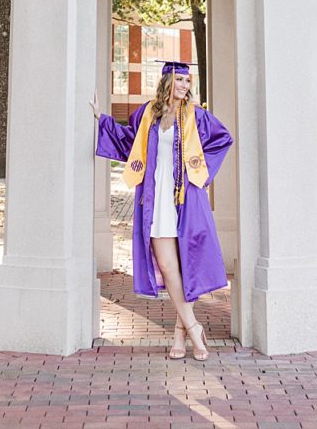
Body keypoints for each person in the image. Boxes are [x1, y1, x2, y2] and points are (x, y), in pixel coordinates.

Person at [90, 60, 231, 361]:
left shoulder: (197, 116)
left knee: (186, 267)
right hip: (156, 200)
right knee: (168, 268)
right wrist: (101, 119)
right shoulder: (148, 114)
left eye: (187, 80)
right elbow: (128, 141)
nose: (184, 85)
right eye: (179, 80)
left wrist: (202, 174)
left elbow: (223, 140)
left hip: (186, 199)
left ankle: (181, 336)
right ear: (167, 80)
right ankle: (194, 328)